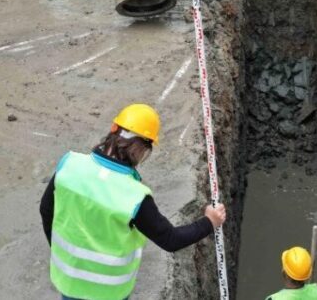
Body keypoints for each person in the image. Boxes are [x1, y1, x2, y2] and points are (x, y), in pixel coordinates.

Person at [40, 103, 228, 300]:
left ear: (114, 130)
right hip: (109, 293)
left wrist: (63, 254)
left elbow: (46, 210)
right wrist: (210, 222)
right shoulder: (134, 197)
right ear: (141, 149)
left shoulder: (69, 165)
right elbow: (170, 239)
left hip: (69, 280)